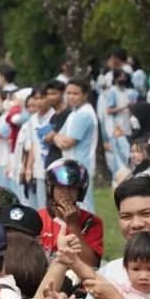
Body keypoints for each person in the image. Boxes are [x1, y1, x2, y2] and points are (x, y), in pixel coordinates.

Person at [37, 159, 103, 267]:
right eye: (60, 186)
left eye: (71, 188)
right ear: (50, 189)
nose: (66, 192)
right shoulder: (38, 218)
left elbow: (92, 263)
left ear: (80, 191)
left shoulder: (91, 221)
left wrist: (73, 225)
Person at [50, 79, 99, 212]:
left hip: (82, 164)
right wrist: (56, 138)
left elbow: (66, 142)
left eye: (75, 93)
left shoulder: (84, 114)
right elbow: (57, 137)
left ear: (85, 95)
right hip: (71, 164)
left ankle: (89, 231)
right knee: (74, 203)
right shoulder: (74, 113)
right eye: (68, 93)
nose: (71, 97)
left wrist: (56, 137)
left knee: (84, 203)